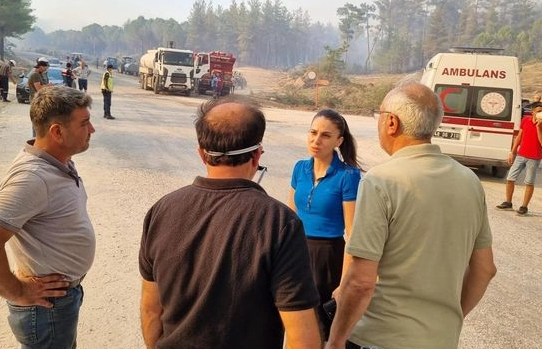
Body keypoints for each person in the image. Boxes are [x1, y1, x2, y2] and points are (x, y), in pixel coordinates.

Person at [138, 97, 322, 349]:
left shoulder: (161, 211)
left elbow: (151, 311)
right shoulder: (279, 223)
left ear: (202, 154)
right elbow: (303, 339)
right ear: (257, 155)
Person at [326, 83, 496, 349]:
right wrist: (448, 319)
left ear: (391, 122)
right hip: (441, 339)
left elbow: (360, 281)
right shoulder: (469, 181)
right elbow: (485, 269)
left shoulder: (381, 181)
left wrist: (335, 341)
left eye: (379, 116)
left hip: (380, 338)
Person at [0, 86, 97, 349]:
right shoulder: (32, 178)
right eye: (85, 123)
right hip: (48, 308)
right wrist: (18, 291)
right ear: (57, 132)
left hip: (62, 300)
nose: (92, 130)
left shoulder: (57, 160)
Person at [288, 108, 361, 341]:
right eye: (313, 132)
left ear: (339, 141)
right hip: (296, 251)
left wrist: (343, 284)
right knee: (293, 322)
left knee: (320, 327)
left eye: (326, 135)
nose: (316, 140)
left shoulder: (348, 175)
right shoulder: (300, 168)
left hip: (327, 256)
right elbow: (290, 217)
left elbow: (352, 233)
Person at [496, 101, 542, 215]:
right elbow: (519, 137)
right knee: (510, 178)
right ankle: (508, 202)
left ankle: (524, 206)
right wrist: (512, 152)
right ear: (532, 112)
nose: (540, 113)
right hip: (521, 155)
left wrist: (538, 127)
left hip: (534, 157)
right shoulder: (525, 120)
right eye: (538, 111)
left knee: (529, 182)